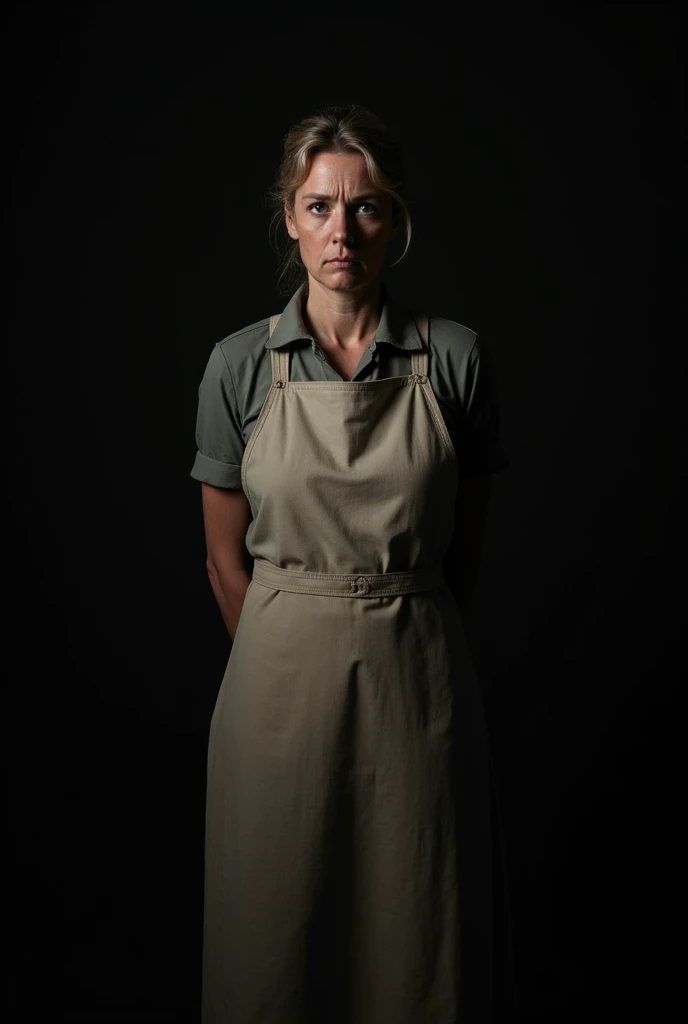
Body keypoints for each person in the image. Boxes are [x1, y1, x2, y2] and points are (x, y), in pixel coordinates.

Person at [191, 104, 517, 1024]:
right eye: (321, 207)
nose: (344, 232)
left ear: (395, 220)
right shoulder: (237, 368)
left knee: (421, 941)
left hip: (420, 682)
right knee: (272, 947)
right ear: (290, 218)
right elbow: (223, 562)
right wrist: (284, 650)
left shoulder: (454, 359)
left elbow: (466, 548)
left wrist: (406, 635)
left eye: (367, 208)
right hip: (276, 692)